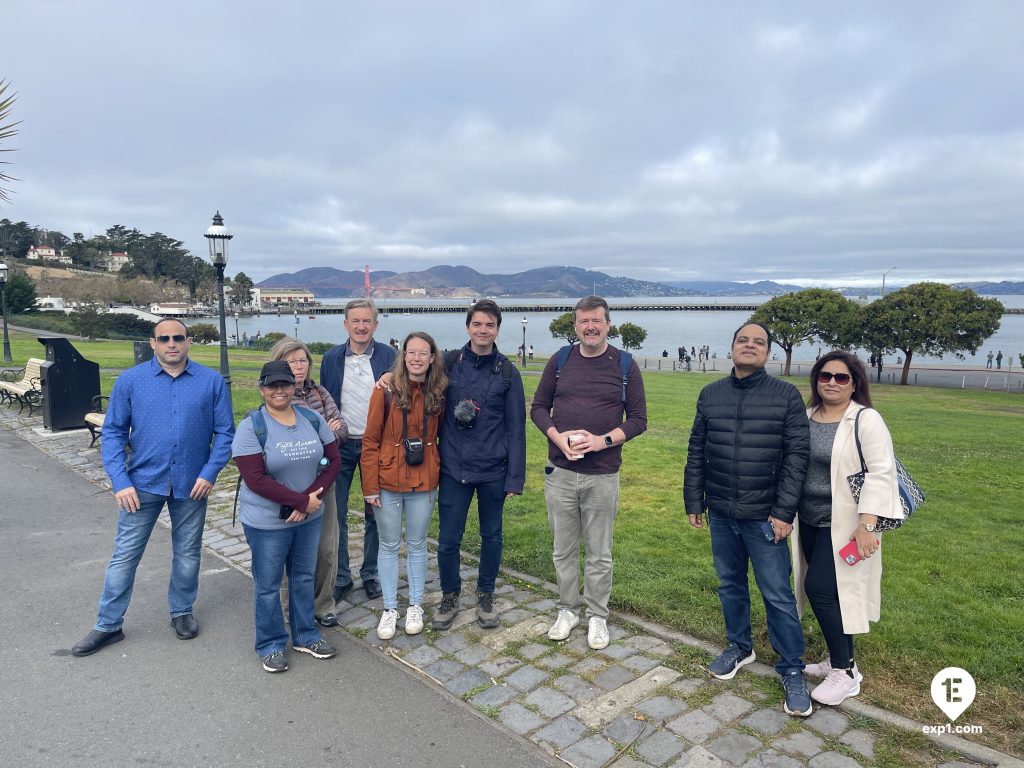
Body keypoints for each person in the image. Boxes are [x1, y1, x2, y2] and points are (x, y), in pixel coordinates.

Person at [72, 320, 234, 657]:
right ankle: (107, 624)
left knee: (188, 554)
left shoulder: (211, 382)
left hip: (193, 485)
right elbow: (114, 432)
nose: (171, 344)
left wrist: (209, 472)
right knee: (125, 556)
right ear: (153, 343)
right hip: (142, 484)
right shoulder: (132, 381)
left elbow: (225, 433)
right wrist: (120, 481)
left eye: (178, 338)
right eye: (164, 339)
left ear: (188, 341)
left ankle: (181, 611)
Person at [683, 322, 813, 716]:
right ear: (732, 348)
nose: (750, 346)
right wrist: (694, 500)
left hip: (765, 517)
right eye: (744, 340)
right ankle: (739, 646)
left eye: (759, 342)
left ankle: (792, 668)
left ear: (768, 353)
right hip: (721, 510)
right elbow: (697, 450)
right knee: (730, 584)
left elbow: (797, 458)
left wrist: (783, 511)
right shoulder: (711, 395)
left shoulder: (786, 396)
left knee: (778, 593)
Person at [530, 296, 647, 650]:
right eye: (584, 321)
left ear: (608, 324)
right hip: (561, 472)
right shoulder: (561, 361)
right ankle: (567, 609)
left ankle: (597, 615)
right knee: (562, 550)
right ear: (576, 325)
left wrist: (602, 441)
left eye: (596, 320)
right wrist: (558, 436)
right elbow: (537, 407)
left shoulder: (625, 366)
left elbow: (639, 420)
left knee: (599, 552)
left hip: (603, 475)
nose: (590, 327)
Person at [793, 351, 902, 705]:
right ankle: (835, 658)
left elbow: (881, 473)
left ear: (855, 383)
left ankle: (846, 670)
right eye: (825, 376)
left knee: (821, 589)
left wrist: (867, 524)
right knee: (831, 594)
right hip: (807, 519)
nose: (832, 383)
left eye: (841, 378)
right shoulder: (806, 417)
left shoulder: (865, 420)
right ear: (816, 380)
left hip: (847, 526)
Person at [232, 361, 342, 672]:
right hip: (267, 523)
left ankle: (306, 635)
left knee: (303, 578)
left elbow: (331, 461)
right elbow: (256, 479)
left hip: (308, 517)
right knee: (268, 584)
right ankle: (270, 643)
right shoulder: (251, 427)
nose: (279, 390)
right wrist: (300, 501)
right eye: (272, 385)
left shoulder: (312, 418)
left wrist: (311, 499)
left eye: (284, 384)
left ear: (293, 386)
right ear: (261, 388)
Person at [431, 300, 527, 630]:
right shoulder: (448, 363)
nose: (483, 330)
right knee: (448, 538)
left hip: (492, 468)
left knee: (492, 535)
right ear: (468, 326)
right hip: (454, 466)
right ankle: (450, 594)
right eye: (477, 324)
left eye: (489, 325)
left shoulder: (508, 372)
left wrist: (515, 477)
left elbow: (516, 426)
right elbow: (415, 378)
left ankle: (485, 594)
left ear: (497, 329)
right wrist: (387, 375)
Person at [363, 332, 446, 640]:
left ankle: (415, 604)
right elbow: (370, 441)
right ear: (403, 355)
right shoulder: (385, 391)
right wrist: (369, 486)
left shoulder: (438, 391)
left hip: (424, 477)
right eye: (411, 352)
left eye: (423, 353)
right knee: (388, 544)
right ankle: (389, 608)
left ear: (432, 358)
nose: (416, 358)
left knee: (417, 543)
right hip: (387, 478)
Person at [320, 299, 397, 603]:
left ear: (375, 325)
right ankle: (341, 576)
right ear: (346, 324)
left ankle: (371, 572)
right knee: (335, 513)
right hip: (341, 444)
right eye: (356, 321)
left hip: (375, 445)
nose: (361, 326)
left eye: (367, 321)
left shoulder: (391, 357)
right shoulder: (331, 358)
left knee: (375, 513)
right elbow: (325, 397)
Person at [269, 338, 349, 627]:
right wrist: (323, 431)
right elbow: (286, 441)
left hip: (323, 481)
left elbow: (341, 430)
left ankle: (322, 604)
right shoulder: (276, 397)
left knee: (327, 548)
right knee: (294, 551)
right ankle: (292, 607)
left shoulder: (319, 391)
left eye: (302, 360)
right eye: (291, 361)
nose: (298, 366)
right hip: (290, 485)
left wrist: (323, 434)